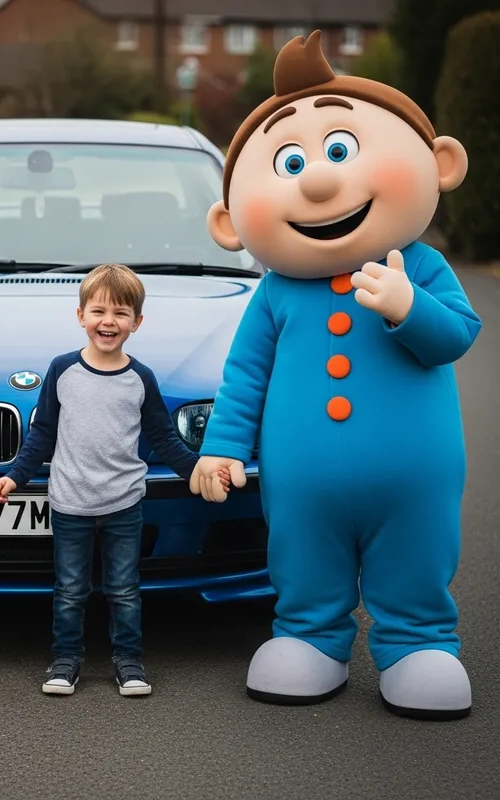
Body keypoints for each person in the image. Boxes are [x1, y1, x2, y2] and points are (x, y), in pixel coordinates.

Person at [189, 30, 482, 720]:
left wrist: (409, 306)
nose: (318, 179)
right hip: (302, 481)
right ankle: (310, 637)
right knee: (301, 554)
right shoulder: (276, 294)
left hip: (414, 475)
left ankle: (418, 642)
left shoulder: (420, 264)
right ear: (229, 224)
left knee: (416, 553)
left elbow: (457, 337)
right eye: (289, 162)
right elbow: (245, 377)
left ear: (438, 163)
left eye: (341, 151)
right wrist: (223, 447)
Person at [0, 263, 228, 697]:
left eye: (121, 313)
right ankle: (65, 660)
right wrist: (16, 475)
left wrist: (196, 470)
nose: (108, 321)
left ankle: (129, 662)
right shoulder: (62, 370)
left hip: (124, 503)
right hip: (69, 504)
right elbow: (42, 434)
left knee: (123, 589)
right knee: (70, 591)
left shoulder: (141, 378)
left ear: (137, 323)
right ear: (80, 315)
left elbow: (163, 437)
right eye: (99, 311)